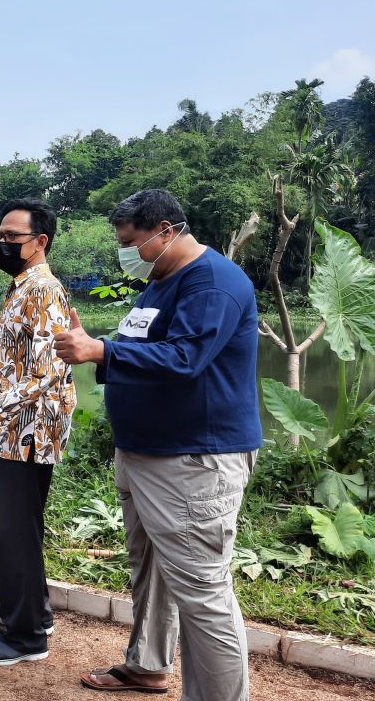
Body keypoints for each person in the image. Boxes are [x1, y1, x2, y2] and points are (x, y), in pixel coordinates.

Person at [54, 189, 261, 700]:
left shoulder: (211, 284)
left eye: (132, 243)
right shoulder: (162, 282)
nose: (129, 253)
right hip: (148, 454)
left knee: (202, 589)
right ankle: (147, 665)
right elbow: (145, 345)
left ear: (165, 231)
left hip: (191, 460)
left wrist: (99, 350)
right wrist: (102, 348)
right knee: (152, 569)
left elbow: (185, 359)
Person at [0, 199, 76, 667]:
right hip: (18, 427)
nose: (2, 244)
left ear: (40, 241)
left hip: (29, 428)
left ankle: (26, 637)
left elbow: (49, 368)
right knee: (19, 527)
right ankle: (32, 610)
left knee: (11, 532)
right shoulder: (22, 286)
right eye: (0, 236)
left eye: (13, 238)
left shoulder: (42, 289)